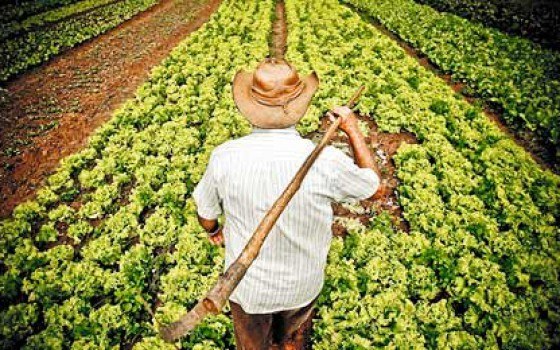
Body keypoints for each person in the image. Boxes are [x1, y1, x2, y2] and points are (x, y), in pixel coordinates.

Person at [192, 58, 383, 349]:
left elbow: (206, 213)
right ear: (300, 106)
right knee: (293, 338)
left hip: (248, 289)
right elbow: (374, 188)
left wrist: (212, 230)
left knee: (252, 343)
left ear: (249, 107)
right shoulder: (326, 160)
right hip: (301, 286)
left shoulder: (224, 157)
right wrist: (353, 130)